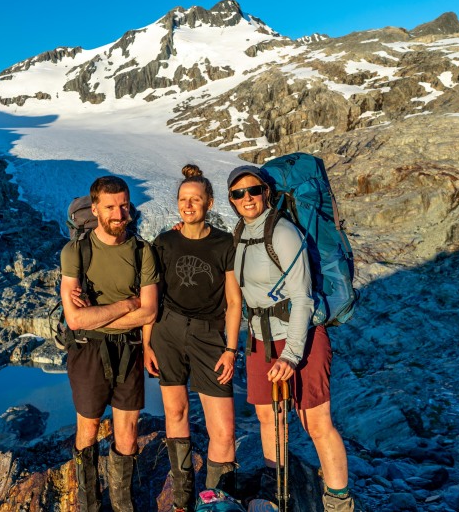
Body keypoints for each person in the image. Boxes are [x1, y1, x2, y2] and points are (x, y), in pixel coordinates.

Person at [227, 165, 355, 511]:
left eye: (253, 190)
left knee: (316, 422)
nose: (247, 198)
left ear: (266, 193)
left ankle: (338, 503)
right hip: (260, 340)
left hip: (301, 338)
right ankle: (275, 492)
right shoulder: (240, 234)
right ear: (231, 200)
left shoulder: (283, 232)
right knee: (268, 418)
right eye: (238, 194)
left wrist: (292, 355)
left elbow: (302, 297)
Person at [143, 164, 242, 511]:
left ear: (209, 203)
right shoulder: (165, 242)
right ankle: (183, 501)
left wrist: (231, 349)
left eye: (195, 199)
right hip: (167, 332)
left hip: (209, 337)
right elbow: (150, 295)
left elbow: (233, 301)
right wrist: (146, 343)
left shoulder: (224, 243)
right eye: (183, 199)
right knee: (176, 413)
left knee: (224, 430)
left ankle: (216, 502)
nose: (187, 205)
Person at [60, 175, 160, 512]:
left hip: (129, 350)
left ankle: (122, 505)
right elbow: (75, 320)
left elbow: (150, 313)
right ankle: (89, 504)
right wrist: (127, 305)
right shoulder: (75, 251)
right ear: (95, 209)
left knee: (128, 433)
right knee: (87, 429)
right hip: (88, 349)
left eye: (124, 205)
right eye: (110, 207)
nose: (119, 213)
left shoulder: (143, 251)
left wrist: (100, 314)